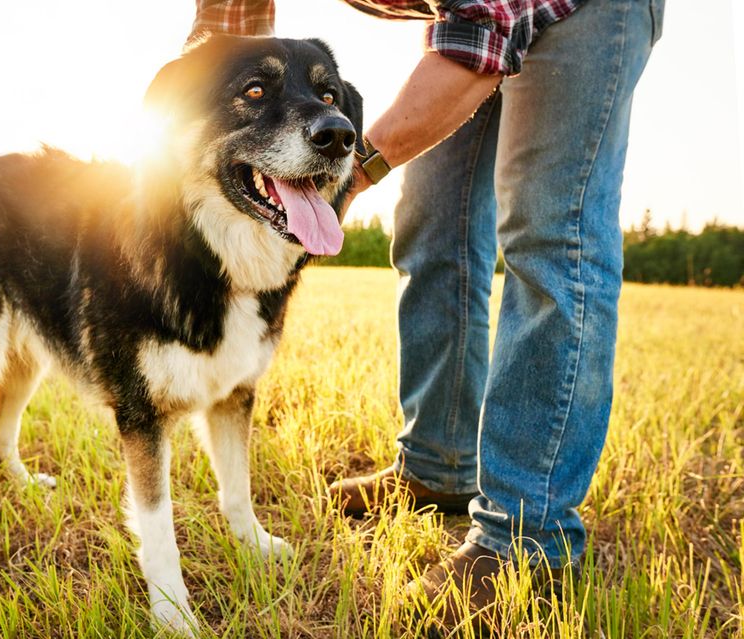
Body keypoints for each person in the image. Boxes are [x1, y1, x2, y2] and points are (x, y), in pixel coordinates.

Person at [191, 0, 663, 627]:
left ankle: (527, 540)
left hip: (580, 11)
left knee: (551, 234)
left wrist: (348, 175)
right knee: (432, 223)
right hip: (475, 21)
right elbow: (229, 39)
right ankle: (438, 467)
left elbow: (477, 44)